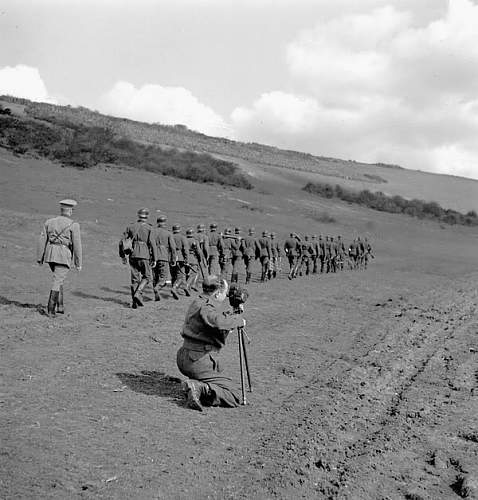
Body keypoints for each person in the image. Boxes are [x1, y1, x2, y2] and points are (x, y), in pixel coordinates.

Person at [177, 275, 245, 411]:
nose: (225, 297)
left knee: (219, 373)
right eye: (225, 294)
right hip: (197, 360)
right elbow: (216, 321)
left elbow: (210, 323)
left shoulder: (198, 300)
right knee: (234, 394)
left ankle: (197, 384)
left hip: (186, 355)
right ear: (218, 292)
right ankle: (201, 388)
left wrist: (231, 316)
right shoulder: (207, 306)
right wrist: (238, 320)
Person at [37, 199, 82, 317]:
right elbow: (77, 245)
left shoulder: (49, 222)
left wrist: (40, 257)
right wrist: (78, 263)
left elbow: (42, 240)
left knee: (58, 278)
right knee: (57, 280)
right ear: (70, 211)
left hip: (50, 254)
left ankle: (60, 306)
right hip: (63, 255)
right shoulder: (74, 225)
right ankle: (51, 309)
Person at [119, 208, 158, 308]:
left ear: (138, 216)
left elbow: (121, 242)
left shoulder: (131, 226)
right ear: (147, 217)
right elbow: (153, 244)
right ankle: (139, 292)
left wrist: (123, 256)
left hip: (132, 255)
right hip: (145, 255)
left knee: (135, 279)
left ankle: (134, 303)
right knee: (147, 277)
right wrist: (155, 258)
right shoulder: (150, 228)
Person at [151, 215, 176, 301]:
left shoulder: (153, 231)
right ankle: (157, 288)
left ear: (157, 222)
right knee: (163, 278)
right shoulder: (168, 233)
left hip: (154, 257)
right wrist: (173, 259)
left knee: (155, 277)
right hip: (164, 257)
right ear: (165, 223)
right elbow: (173, 248)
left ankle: (156, 293)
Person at [171, 224, 190, 299]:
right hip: (180, 258)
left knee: (173, 275)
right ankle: (174, 288)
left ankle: (176, 290)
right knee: (181, 276)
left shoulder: (171, 236)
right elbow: (185, 249)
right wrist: (186, 259)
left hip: (171, 258)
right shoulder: (182, 237)